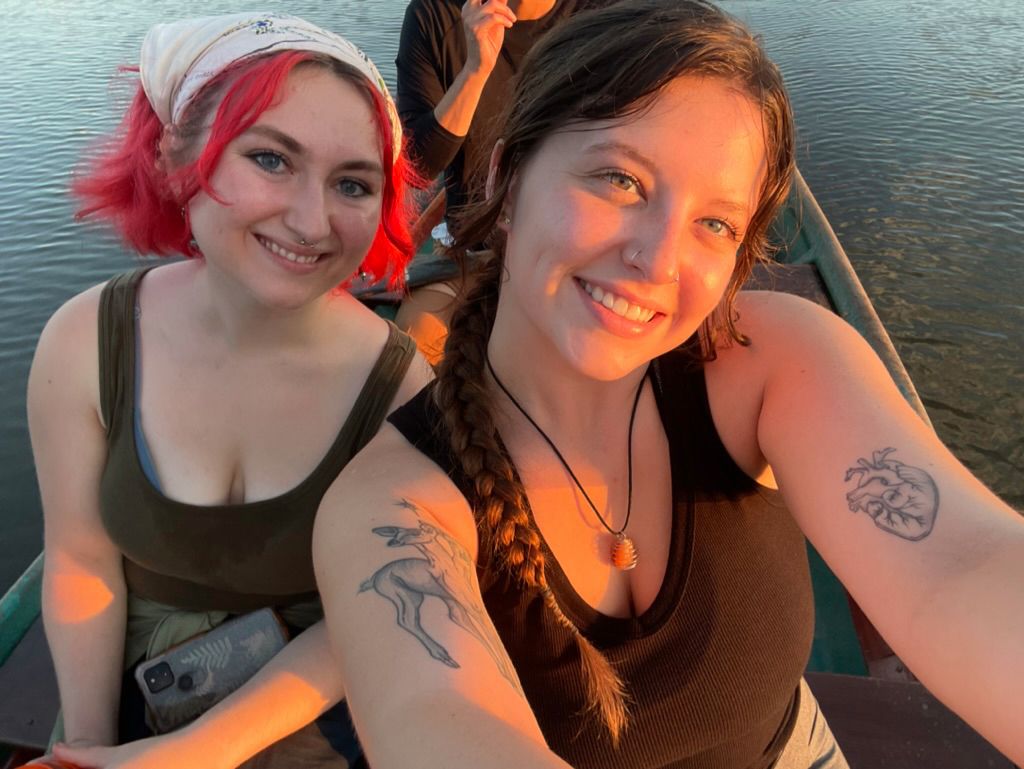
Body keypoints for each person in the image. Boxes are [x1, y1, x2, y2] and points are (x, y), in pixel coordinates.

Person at [313, 1, 1024, 767]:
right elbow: (438, 717)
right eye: (621, 179)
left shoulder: (773, 359)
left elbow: (960, 566)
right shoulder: (389, 508)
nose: (658, 261)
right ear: (506, 178)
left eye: (715, 224)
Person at [27, 12, 431, 769]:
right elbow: (81, 560)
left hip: (315, 716)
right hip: (130, 693)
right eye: (272, 160)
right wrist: (86, 745)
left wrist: (193, 752)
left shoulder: (399, 386)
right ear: (177, 155)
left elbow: (376, 611)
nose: (313, 222)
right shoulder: (87, 341)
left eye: (352, 182)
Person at [393, 0, 603, 364]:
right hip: (476, 252)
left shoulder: (602, 17)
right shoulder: (435, 15)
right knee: (414, 340)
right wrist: (475, 70)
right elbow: (420, 167)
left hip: (575, 252)